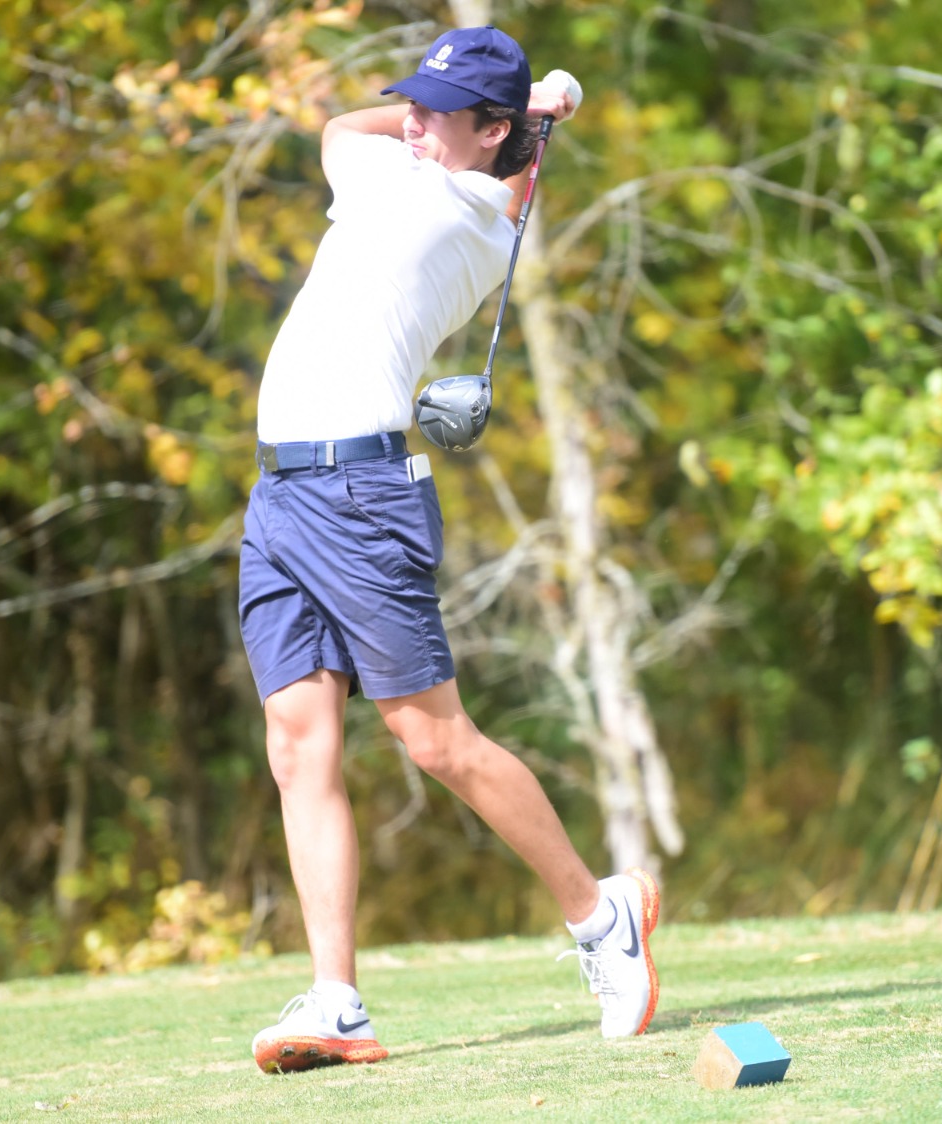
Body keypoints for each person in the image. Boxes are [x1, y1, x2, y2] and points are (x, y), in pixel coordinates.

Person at [239, 26, 659, 1075]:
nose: (411, 125)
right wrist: (504, 121)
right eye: (411, 105)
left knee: (434, 740)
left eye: (436, 114)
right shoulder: (441, 170)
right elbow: (349, 120)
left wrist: (520, 130)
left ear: (490, 131)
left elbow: (365, 139)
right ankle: (335, 1000)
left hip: (357, 492)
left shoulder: (451, 209)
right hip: (280, 494)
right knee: (297, 742)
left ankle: (599, 913)